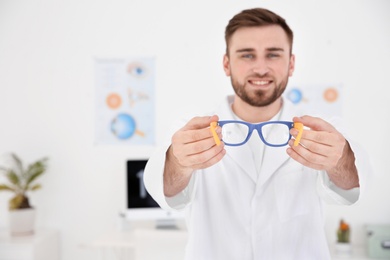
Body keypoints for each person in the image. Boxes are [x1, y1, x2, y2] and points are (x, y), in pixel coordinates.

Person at [144, 7, 370, 260]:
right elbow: (166, 192)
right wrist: (177, 161)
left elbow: (352, 190)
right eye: (247, 55)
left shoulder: (322, 132)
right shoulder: (189, 131)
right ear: (227, 64)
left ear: (291, 63)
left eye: (273, 54)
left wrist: (340, 160)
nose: (261, 68)